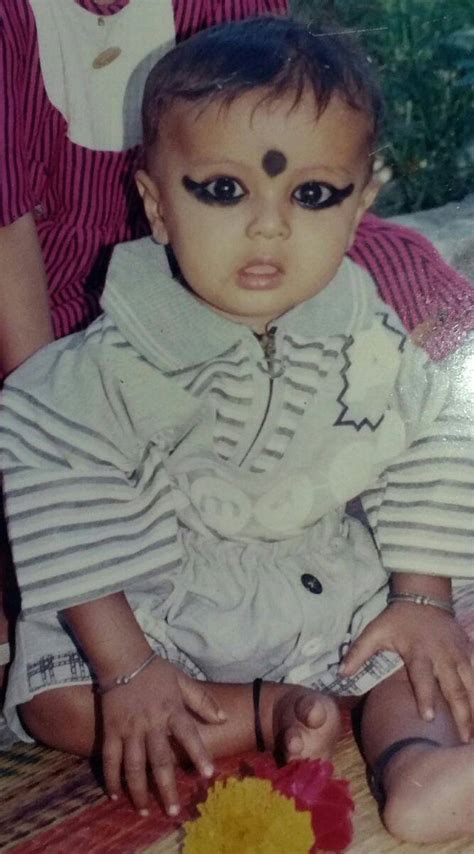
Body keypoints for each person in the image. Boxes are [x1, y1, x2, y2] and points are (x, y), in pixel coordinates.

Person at [1, 15, 474, 845]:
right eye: (223, 191)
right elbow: (58, 491)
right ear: (156, 203)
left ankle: (421, 765)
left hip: (324, 583)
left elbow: (428, 435)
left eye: (311, 195)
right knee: (59, 705)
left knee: (427, 642)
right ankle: (270, 712)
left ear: (361, 205)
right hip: (161, 612)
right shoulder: (103, 364)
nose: (268, 226)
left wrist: (420, 597)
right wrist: (128, 668)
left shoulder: (363, 326)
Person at [0, 0, 288, 694]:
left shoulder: (225, 9)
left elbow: (276, 196)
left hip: (180, 331)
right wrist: (64, 458)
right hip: (29, 364)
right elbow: (39, 394)